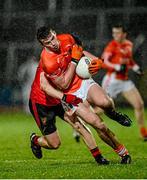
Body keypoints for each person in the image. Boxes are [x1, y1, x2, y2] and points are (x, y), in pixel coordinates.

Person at [39, 26, 132, 164]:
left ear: (54, 33)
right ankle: (123, 153)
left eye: (53, 38)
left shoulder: (67, 38)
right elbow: (64, 84)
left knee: (105, 102)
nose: (53, 43)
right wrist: (74, 61)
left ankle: (112, 113)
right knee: (99, 125)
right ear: (42, 44)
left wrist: (98, 60)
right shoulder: (48, 62)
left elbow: (81, 52)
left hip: (82, 81)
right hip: (71, 94)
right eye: (48, 43)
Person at [89, 24, 147, 141]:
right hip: (112, 81)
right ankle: (82, 120)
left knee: (139, 104)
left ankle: (144, 133)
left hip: (124, 81)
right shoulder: (112, 46)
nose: (115, 35)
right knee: (101, 109)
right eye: (113, 33)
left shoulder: (129, 45)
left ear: (124, 34)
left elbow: (129, 61)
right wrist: (116, 66)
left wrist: (135, 68)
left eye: (117, 33)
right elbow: (103, 62)